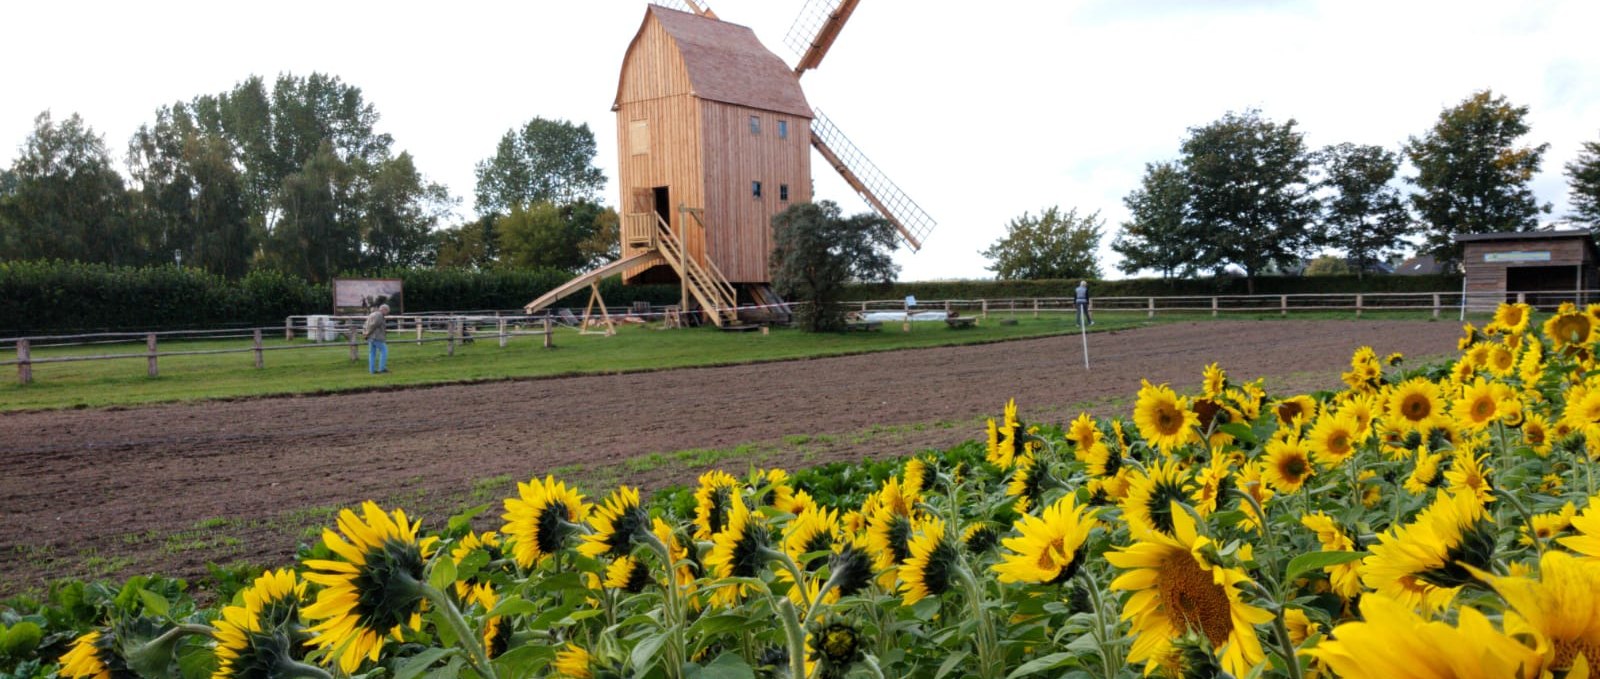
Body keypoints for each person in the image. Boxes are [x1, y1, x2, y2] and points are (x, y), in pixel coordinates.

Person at [363, 304, 389, 373]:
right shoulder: (379, 315)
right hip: (376, 337)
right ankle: (382, 368)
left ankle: (372, 370)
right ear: (383, 309)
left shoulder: (372, 314)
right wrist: (367, 333)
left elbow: (365, 324)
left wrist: (365, 333)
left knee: (372, 353)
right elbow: (373, 326)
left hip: (370, 337)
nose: (387, 313)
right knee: (384, 351)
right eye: (387, 311)